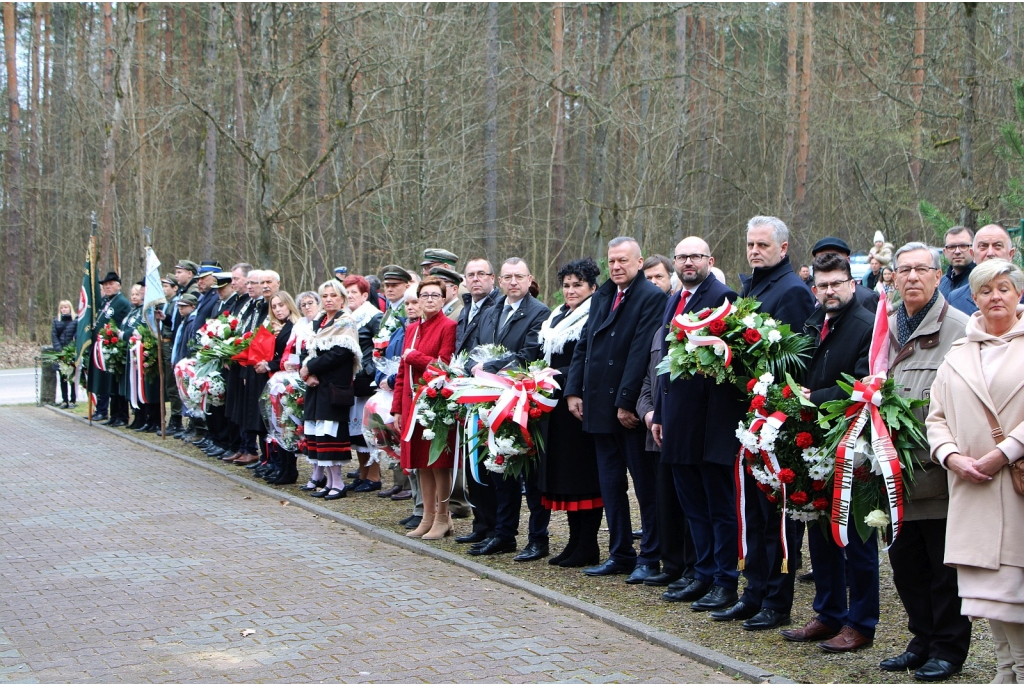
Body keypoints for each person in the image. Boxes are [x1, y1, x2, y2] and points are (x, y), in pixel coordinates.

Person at [927, 258, 1024, 684]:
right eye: (985, 291)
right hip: (971, 488)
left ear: (1018, 294)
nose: (995, 297)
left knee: (1013, 594)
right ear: (976, 299)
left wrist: (1005, 451)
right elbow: (936, 417)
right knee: (985, 597)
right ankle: (1005, 670)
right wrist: (951, 456)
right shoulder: (957, 354)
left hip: (1014, 484)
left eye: (1003, 288)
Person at [879, 242, 971, 682]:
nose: (912, 277)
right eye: (904, 270)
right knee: (906, 568)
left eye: (921, 269)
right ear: (893, 277)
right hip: (893, 478)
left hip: (937, 478)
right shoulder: (887, 325)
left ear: (938, 276)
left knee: (943, 571)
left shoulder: (959, 329)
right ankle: (920, 639)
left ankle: (948, 648)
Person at [780, 252, 877, 653]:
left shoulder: (867, 326)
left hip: (851, 443)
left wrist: (810, 397)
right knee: (819, 530)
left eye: (837, 283)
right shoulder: (813, 322)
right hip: (812, 443)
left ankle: (862, 623)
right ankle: (828, 613)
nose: (829, 291)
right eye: (822, 285)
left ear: (852, 284)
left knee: (856, 537)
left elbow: (862, 382)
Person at [565, 237, 668, 583]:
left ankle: (650, 556)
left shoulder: (651, 297)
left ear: (639, 263)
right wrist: (573, 390)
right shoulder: (604, 295)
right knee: (610, 486)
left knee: (644, 487)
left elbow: (641, 352)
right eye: (611, 262)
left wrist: (626, 401)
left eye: (623, 261)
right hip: (597, 406)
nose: (616, 267)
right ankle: (620, 552)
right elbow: (585, 343)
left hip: (628, 411)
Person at [652, 237, 744, 614]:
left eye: (695, 256)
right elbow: (666, 364)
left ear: (710, 260)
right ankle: (701, 572)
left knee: (718, 507)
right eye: (682, 257)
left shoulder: (725, 299)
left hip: (710, 423)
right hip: (677, 420)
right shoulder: (674, 299)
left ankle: (725, 580)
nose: (688, 262)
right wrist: (659, 413)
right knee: (692, 506)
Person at [737, 216, 817, 630]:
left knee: (777, 523)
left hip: (778, 421)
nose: (754, 251)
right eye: (750, 244)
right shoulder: (751, 285)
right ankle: (754, 591)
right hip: (751, 416)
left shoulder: (792, 291)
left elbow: (799, 359)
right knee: (753, 514)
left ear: (783, 249)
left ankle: (776, 600)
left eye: (763, 245)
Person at [467, 258, 551, 559]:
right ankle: (504, 534)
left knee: (529, 472)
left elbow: (530, 354)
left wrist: (489, 366)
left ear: (529, 279)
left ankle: (538, 538)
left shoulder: (540, 313)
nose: (513, 282)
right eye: (507, 277)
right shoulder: (490, 311)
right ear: (499, 281)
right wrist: (471, 366)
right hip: (490, 401)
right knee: (501, 469)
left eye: (519, 277)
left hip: (523, 403)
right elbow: (474, 347)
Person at [533, 258, 604, 567]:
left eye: (578, 285)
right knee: (564, 476)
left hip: (580, 405)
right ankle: (575, 541)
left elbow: (587, 359)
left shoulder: (595, 313)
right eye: (566, 285)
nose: (571, 290)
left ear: (592, 287)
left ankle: (588, 544)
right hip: (555, 409)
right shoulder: (556, 317)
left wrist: (558, 376)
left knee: (583, 476)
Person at [639, 248, 697, 589]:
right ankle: (671, 564)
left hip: (681, 427)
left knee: (688, 505)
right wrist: (647, 411)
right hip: (656, 425)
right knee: (664, 501)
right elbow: (651, 376)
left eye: (660, 278)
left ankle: (692, 567)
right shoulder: (661, 324)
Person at [391, 276, 458, 539]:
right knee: (421, 461)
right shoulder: (411, 329)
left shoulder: (448, 326)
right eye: (425, 295)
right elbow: (401, 372)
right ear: (418, 299)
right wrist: (397, 408)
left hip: (435, 401)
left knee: (438, 461)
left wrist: (414, 356)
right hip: (411, 402)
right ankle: (427, 516)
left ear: (443, 299)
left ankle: (443, 517)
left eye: (435, 295)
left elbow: (443, 366)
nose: (429, 300)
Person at [453, 258, 502, 544]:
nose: (475, 280)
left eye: (481, 274)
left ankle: (494, 526)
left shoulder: (495, 307)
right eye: (470, 275)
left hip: (488, 389)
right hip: (466, 389)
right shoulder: (466, 307)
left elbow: (490, 349)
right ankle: (480, 523)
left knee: (486, 460)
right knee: (472, 461)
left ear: (492, 278)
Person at [302, 279, 361, 501]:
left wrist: (311, 367)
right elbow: (311, 351)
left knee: (331, 432)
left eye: (333, 295)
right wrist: (308, 373)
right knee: (318, 433)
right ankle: (328, 480)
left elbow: (339, 354)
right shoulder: (319, 322)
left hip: (334, 387)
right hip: (317, 386)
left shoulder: (346, 322)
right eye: (325, 296)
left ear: (342, 299)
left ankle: (338, 482)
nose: (328, 299)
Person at [343, 275, 384, 492]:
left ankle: (375, 475)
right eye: (347, 292)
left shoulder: (374, 316)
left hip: (366, 380)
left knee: (370, 430)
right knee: (356, 429)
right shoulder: (348, 317)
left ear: (365, 295)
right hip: (352, 379)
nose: (349, 296)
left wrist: (370, 371)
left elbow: (380, 347)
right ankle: (362, 472)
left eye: (353, 293)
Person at [254, 291, 300, 484]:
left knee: (287, 424)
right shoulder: (277, 328)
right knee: (278, 425)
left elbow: (290, 357)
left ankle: (289, 469)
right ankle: (281, 466)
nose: (278, 309)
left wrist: (270, 364)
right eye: (274, 306)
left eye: (281, 305)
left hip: (289, 381)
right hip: (276, 381)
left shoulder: (295, 326)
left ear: (289, 304)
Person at [88, 271, 131, 425]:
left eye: (111, 284)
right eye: (105, 285)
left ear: (118, 286)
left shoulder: (121, 302)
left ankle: (121, 416)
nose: (107, 287)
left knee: (115, 385)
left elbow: (122, 324)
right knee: (109, 385)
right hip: (105, 348)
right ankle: (113, 415)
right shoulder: (107, 302)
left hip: (115, 348)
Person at [948, 224, 1018, 315]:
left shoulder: (1020, 292)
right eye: (983, 246)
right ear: (972, 254)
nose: (990, 253)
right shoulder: (956, 300)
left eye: (997, 246)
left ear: (1011, 254)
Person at [811, 237, 879, 313]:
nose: (828, 262)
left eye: (835, 258)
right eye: (821, 259)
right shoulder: (812, 298)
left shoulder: (867, 298)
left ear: (848, 261)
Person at [52, 300, 77, 408]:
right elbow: (54, 337)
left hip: (71, 352)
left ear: (70, 308)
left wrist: (72, 350)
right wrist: (59, 350)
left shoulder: (76, 320)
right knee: (62, 377)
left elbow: (77, 336)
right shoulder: (56, 321)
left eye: (66, 307)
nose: (64, 309)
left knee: (72, 377)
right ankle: (64, 400)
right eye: (62, 308)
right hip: (60, 352)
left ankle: (73, 399)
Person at [939, 226, 975, 298]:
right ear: (945, 252)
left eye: (963, 246)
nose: (957, 251)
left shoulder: (981, 281)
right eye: (951, 247)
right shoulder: (941, 283)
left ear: (973, 249)